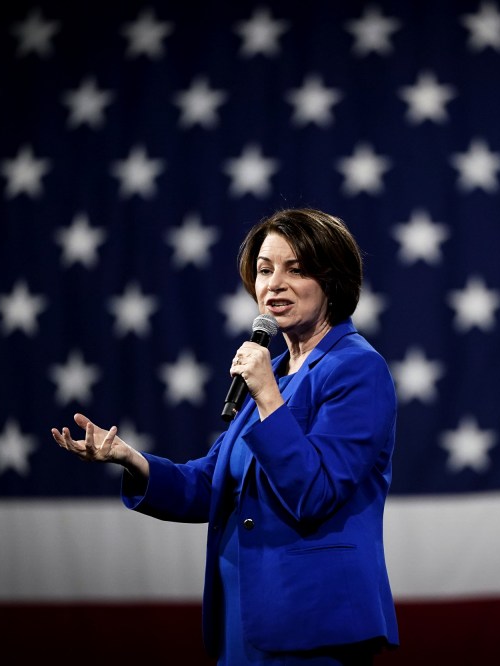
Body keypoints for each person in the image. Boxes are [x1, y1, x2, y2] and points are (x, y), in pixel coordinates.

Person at [51, 208, 399, 665]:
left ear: (332, 281)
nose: (274, 284)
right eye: (265, 270)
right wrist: (130, 459)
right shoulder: (275, 371)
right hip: (242, 620)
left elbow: (315, 493)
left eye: (295, 269)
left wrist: (268, 397)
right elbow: (211, 485)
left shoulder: (355, 368)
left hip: (313, 623)